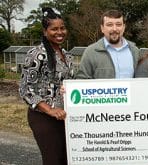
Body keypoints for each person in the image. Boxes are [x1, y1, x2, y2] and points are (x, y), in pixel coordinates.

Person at [19, 7, 73, 165]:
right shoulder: (36, 54)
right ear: (45, 31)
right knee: (53, 160)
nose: (59, 32)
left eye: (62, 28)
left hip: (64, 117)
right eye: (54, 29)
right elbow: (25, 89)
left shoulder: (67, 55)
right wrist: (49, 110)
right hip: (44, 117)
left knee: (66, 159)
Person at [76, 9, 141, 79]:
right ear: (102, 28)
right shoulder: (91, 52)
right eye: (110, 25)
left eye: (118, 24)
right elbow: (81, 81)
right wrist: (69, 88)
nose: (115, 29)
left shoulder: (135, 51)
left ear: (124, 27)